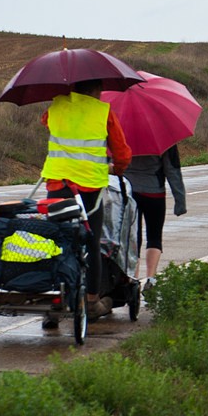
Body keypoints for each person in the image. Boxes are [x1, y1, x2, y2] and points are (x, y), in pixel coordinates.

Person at [41, 79, 132, 325]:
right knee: (92, 243)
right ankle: (91, 302)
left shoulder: (56, 106)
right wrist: (119, 168)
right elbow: (122, 153)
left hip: (58, 184)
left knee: (57, 241)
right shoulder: (103, 112)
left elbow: (46, 122)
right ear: (95, 89)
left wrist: (64, 98)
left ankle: (52, 302)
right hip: (90, 188)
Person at [124, 144, 187, 294]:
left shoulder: (123, 133)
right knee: (154, 236)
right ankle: (150, 279)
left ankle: (133, 279)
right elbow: (172, 169)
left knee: (133, 239)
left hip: (129, 193)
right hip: (154, 193)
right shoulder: (162, 138)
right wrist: (180, 201)